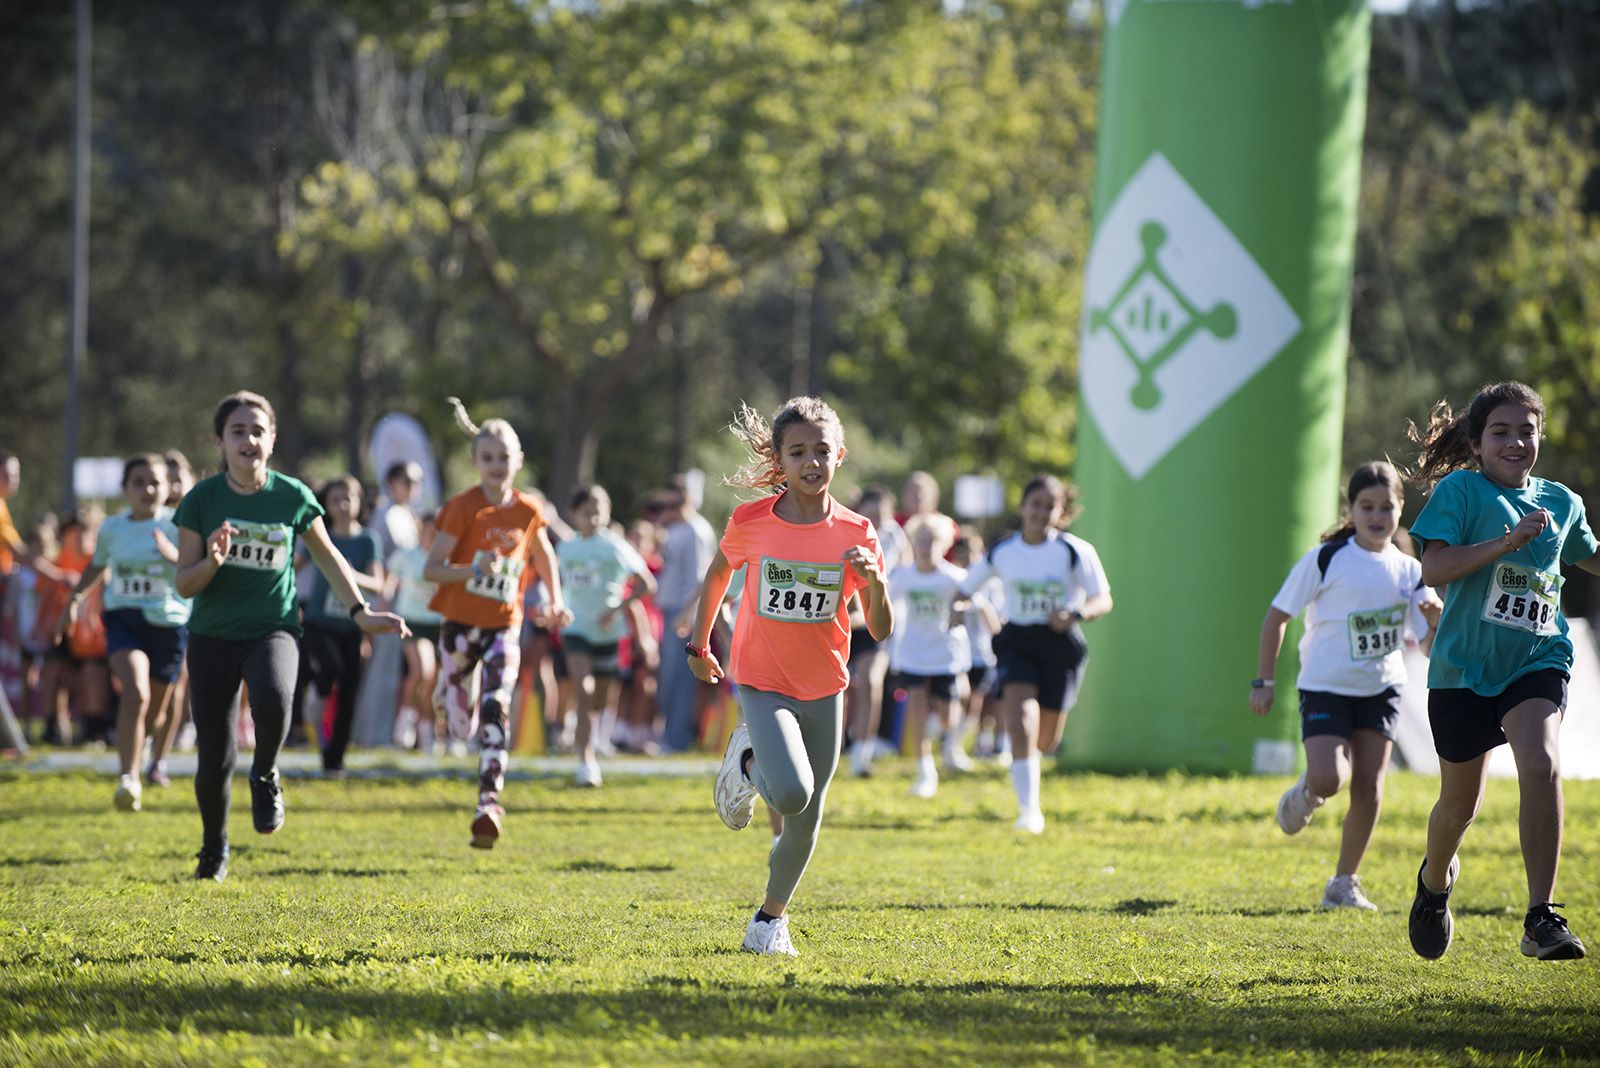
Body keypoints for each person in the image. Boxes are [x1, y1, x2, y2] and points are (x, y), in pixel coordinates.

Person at [175, 391, 408, 882]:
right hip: (212, 633)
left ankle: (265, 773)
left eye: (258, 431)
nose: (249, 440)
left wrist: (360, 611)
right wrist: (212, 561)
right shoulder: (201, 500)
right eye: (238, 431)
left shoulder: (292, 496)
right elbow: (184, 582)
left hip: (273, 627)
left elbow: (327, 557)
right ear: (221, 440)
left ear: (273, 440)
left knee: (276, 698)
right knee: (214, 755)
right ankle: (213, 849)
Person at [688, 396, 892, 956]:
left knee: (807, 818)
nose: (811, 462)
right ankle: (748, 760)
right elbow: (715, 579)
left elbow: (879, 625)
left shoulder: (857, 532)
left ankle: (767, 923)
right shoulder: (751, 521)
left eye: (822, 451)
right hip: (761, 677)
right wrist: (698, 644)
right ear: (780, 459)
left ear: (840, 456)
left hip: (825, 683)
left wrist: (873, 581)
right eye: (798, 451)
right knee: (792, 793)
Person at [1404, 381, 1599, 961]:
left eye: (1527, 431)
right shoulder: (1461, 491)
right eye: (1501, 432)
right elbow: (1434, 568)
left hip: (1537, 660)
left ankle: (1542, 917)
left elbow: (1589, 553)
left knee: (1541, 765)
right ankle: (1434, 883)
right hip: (1463, 669)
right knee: (1459, 807)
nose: (1516, 442)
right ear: (1477, 441)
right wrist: (1506, 541)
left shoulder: (1562, 501)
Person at [1250, 462, 1441, 910]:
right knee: (1329, 777)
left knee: (1370, 788)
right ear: (1351, 509)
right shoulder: (1326, 559)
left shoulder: (1412, 571)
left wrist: (1435, 622)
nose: (1377, 516)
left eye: (1386, 507)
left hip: (1383, 689)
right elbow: (1277, 617)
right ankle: (1306, 792)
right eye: (1366, 506)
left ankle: (1344, 881)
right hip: (1326, 687)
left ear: (1401, 509)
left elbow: (1431, 647)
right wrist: (1264, 680)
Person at [425, 398, 569, 849]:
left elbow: (543, 554)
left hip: (505, 625)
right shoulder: (463, 508)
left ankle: (489, 802)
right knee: (461, 719)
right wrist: (473, 570)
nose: (496, 465)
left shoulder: (527, 511)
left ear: (518, 461)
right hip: (458, 627)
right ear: (474, 462)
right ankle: (448, 689)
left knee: (495, 706)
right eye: (488, 458)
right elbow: (432, 568)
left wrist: (555, 598)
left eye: (504, 457)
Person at [960, 475, 1111, 834]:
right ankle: (1030, 811)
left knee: (1046, 740)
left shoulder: (1075, 551)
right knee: (1021, 724)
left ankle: (1032, 772)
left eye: (1049, 506)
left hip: (1060, 645)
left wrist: (1075, 614)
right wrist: (961, 606)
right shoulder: (1003, 551)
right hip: (1016, 641)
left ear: (1061, 513)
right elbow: (966, 588)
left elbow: (1103, 598)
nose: (1040, 512)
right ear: (1022, 506)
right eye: (1035, 504)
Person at [58, 454, 192, 812]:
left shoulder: (180, 524)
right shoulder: (112, 528)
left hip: (170, 623)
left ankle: (144, 746)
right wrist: (74, 600)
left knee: (157, 713)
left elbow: (199, 568)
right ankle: (128, 778)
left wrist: (173, 556)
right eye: (138, 482)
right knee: (136, 690)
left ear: (168, 488)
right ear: (125, 489)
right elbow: (97, 566)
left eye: (155, 483)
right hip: (124, 619)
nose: (147, 489)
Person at [557, 485, 657, 786]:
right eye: (586, 513)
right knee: (583, 691)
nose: (593, 518)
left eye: (598, 512)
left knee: (598, 701)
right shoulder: (566, 548)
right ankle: (585, 762)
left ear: (608, 513)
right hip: (575, 630)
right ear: (574, 515)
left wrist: (617, 609)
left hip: (608, 633)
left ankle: (583, 731)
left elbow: (646, 585)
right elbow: (559, 585)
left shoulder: (615, 546)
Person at [295, 474, 385, 775]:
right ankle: (316, 698)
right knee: (329, 670)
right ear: (327, 506)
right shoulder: (320, 535)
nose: (343, 505)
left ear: (360, 502)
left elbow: (377, 584)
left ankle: (334, 760)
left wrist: (345, 573)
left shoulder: (367, 540)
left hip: (353, 625)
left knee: (349, 691)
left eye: (349, 498)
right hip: (319, 623)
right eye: (335, 500)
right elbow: (291, 567)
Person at [888, 513, 972, 798]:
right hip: (912, 654)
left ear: (944, 543)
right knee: (916, 709)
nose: (925, 547)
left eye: (932, 541)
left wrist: (962, 610)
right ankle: (925, 772)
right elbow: (883, 600)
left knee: (948, 716)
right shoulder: (902, 576)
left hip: (945, 655)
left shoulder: (954, 577)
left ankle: (941, 737)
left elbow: (974, 600)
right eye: (921, 540)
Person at [844, 485, 903, 778]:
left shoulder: (894, 537)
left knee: (870, 681)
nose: (876, 523)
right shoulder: (845, 532)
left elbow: (903, 574)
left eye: (881, 516)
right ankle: (832, 745)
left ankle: (861, 755)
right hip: (843, 619)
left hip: (875, 621)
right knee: (839, 688)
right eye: (870, 515)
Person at [655, 484, 717, 751]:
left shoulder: (696, 531)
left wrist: (688, 615)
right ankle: (670, 733)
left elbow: (699, 577)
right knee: (668, 676)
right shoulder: (676, 528)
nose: (669, 510)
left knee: (680, 678)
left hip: (682, 612)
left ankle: (677, 739)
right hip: (668, 608)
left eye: (675, 504)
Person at [388, 510, 443, 752]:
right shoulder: (407, 556)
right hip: (412, 622)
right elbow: (390, 580)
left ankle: (426, 730)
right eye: (429, 531)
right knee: (422, 669)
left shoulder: (447, 558)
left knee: (432, 682)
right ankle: (405, 720)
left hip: (438, 624)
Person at [952, 525, 1004, 761]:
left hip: (983, 653)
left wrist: (981, 605)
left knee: (980, 702)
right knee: (962, 700)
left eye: (972, 552)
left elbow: (997, 622)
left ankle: (977, 743)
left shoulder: (991, 582)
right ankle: (954, 743)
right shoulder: (954, 581)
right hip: (958, 654)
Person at [372, 461, 424, 560]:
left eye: (416, 482)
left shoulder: (408, 513)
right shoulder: (384, 514)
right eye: (407, 481)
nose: (412, 487)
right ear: (391, 483)